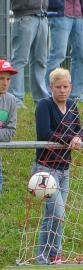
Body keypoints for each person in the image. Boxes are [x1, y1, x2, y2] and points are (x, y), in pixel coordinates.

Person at [33, 68, 83, 264]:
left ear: (71, 87)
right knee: (58, 213)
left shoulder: (72, 105)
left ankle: (43, 257)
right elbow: (45, 133)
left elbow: (80, 129)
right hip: (45, 168)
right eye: (58, 87)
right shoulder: (44, 105)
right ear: (50, 88)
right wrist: (70, 138)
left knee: (51, 216)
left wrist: (79, 137)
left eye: (65, 86)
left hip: (65, 169)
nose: (62, 90)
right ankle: (56, 253)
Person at [45, 0, 83, 103]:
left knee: (82, 55)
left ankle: (76, 94)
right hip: (61, 14)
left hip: (79, 14)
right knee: (58, 55)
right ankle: (48, 93)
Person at [8, 0, 49, 108]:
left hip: (43, 16)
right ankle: (15, 100)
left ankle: (42, 100)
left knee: (40, 61)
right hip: (24, 16)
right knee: (19, 60)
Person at [0, 60, 18, 195]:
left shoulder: (11, 100)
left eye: (8, 79)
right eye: (1, 78)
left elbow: (11, 131)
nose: (5, 83)